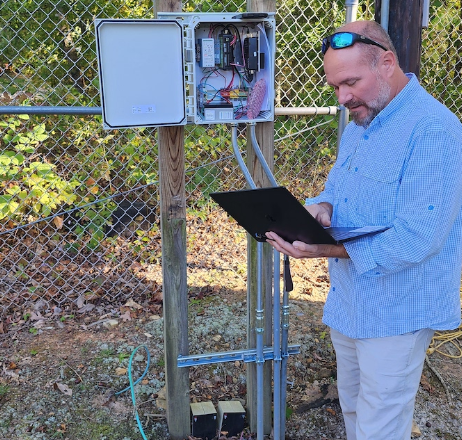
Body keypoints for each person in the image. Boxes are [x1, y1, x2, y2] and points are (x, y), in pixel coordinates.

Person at [266, 20, 462, 440]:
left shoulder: (434, 130)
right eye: (335, 87)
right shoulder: (361, 123)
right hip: (351, 301)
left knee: (381, 425)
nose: (343, 97)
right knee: (354, 406)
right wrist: (319, 208)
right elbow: (337, 190)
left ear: (387, 63)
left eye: (351, 82)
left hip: (398, 310)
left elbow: (420, 236)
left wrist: (327, 251)